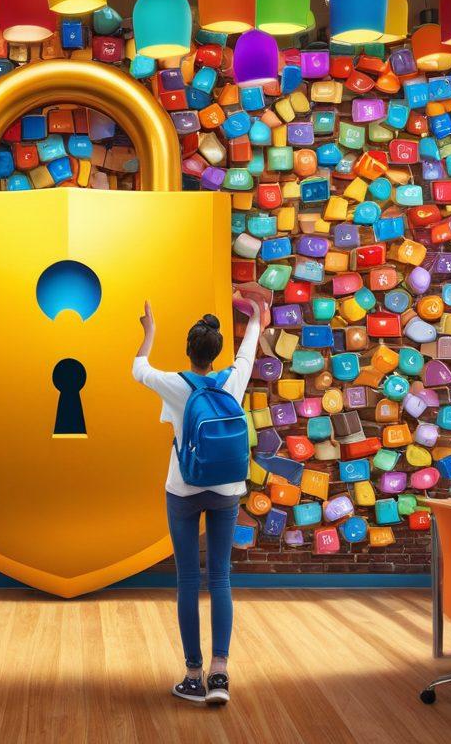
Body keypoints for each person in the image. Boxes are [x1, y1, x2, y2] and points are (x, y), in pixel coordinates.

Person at [132, 296, 269, 705]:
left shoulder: (175, 383)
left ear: (190, 352)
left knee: (189, 581)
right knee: (221, 578)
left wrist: (149, 331)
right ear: (215, 351)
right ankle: (220, 674)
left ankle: (193, 675)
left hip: (183, 489)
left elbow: (138, 369)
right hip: (228, 490)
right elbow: (251, 343)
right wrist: (254, 312)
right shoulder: (234, 378)